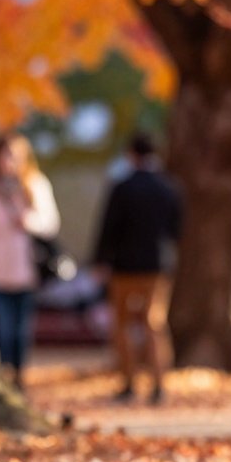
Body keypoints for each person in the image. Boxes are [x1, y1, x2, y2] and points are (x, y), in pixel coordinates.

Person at [92, 132, 183, 404]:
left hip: (124, 266)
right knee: (154, 323)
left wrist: (100, 260)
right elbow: (176, 231)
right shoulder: (168, 188)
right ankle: (159, 383)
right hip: (157, 266)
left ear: (131, 154)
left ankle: (128, 382)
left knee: (122, 324)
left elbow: (108, 228)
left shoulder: (122, 187)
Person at [0, 133, 61, 387]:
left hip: (25, 269)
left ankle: (19, 374)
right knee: (0, 329)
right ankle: (3, 373)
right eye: (4, 154)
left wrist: (29, 222)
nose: (8, 161)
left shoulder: (34, 185)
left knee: (20, 330)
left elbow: (50, 223)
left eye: (14, 155)